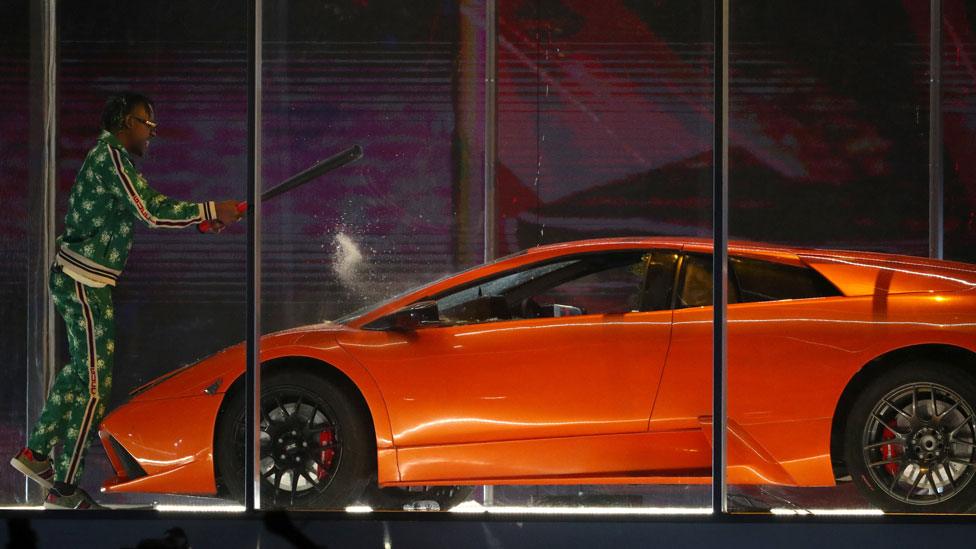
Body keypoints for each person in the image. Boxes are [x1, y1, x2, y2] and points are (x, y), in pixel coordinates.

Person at [9, 92, 242, 509]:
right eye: (145, 122)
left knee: (82, 376)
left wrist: (201, 219)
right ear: (123, 121)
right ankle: (63, 489)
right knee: (95, 388)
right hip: (84, 282)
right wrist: (210, 209)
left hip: (83, 280)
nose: (151, 132)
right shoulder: (112, 158)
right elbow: (149, 210)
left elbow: (142, 212)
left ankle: (37, 453)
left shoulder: (109, 160)